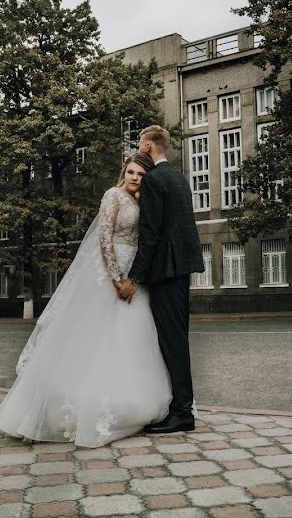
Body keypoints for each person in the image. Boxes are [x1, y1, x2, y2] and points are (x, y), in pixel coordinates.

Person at [0, 152, 172, 447]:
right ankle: (62, 408)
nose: (135, 178)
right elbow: (104, 237)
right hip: (109, 275)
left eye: (141, 174)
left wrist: (133, 279)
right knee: (92, 337)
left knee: (130, 338)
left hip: (133, 276)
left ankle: (128, 401)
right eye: (131, 173)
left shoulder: (142, 202)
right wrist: (116, 279)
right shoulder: (112, 195)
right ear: (123, 172)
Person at [116, 125, 205, 434]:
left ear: (149, 147)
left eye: (142, 147)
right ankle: (182, 406)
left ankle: (182, 412)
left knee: (171, 342)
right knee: (177, 337)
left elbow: (150, 235)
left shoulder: (153, 180)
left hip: (165, 271)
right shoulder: (180, 177)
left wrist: (133, 279)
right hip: (182, 269)